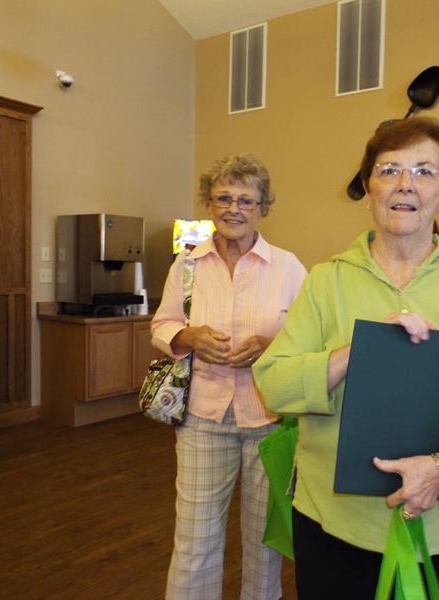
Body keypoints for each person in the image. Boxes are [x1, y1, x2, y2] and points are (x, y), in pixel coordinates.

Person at [253, 117, 439, 599]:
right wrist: (358, 353)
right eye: (389, 170)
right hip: (335, 527)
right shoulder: (326, 282)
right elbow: (274, 385)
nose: (405, 184)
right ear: (369, 189)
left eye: (424, 171)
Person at [151, 154, 307, 600]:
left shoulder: (289, 267)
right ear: (208, 204)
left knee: (263, 544)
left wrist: (269, 345)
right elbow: (161, 325)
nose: (233, 208)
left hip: (269, 420)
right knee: (194, 540)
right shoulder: (187, 265)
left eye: (246, 200)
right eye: (223, 198)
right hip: (203, 418)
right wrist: (190, 336)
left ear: (263, 207)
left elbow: (311, 337)